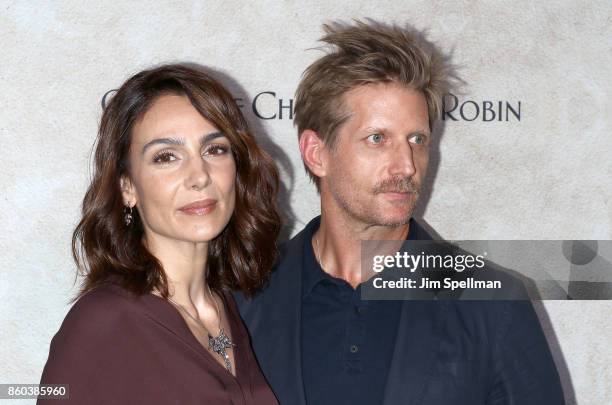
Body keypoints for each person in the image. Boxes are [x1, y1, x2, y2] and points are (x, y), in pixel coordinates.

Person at [235, 20, 566, 405]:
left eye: (416, 140)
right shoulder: (245, 297)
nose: (406, 166)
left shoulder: (494, 304)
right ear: (317, 153)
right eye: (378, 139)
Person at [39, 64, 280, 405]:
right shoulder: (103, 322)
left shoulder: (225, 306)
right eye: (166, 157)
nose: (199, 176)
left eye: (215, 150)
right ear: (127, 187)